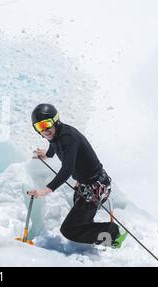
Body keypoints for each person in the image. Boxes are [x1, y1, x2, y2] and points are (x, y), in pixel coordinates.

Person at [28, 104, 127, 248]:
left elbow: (67, 169)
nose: (44, 130)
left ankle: (114, 234)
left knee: (69, 230)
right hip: (86, 185)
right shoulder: (57, 134)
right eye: (39, 127)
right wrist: (48, 154)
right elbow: (54, 143)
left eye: (46, 124)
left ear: (55, 121)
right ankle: (93, 239)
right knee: (81, 221)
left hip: (95, 189)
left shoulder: (68, 138)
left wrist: (47, 190)